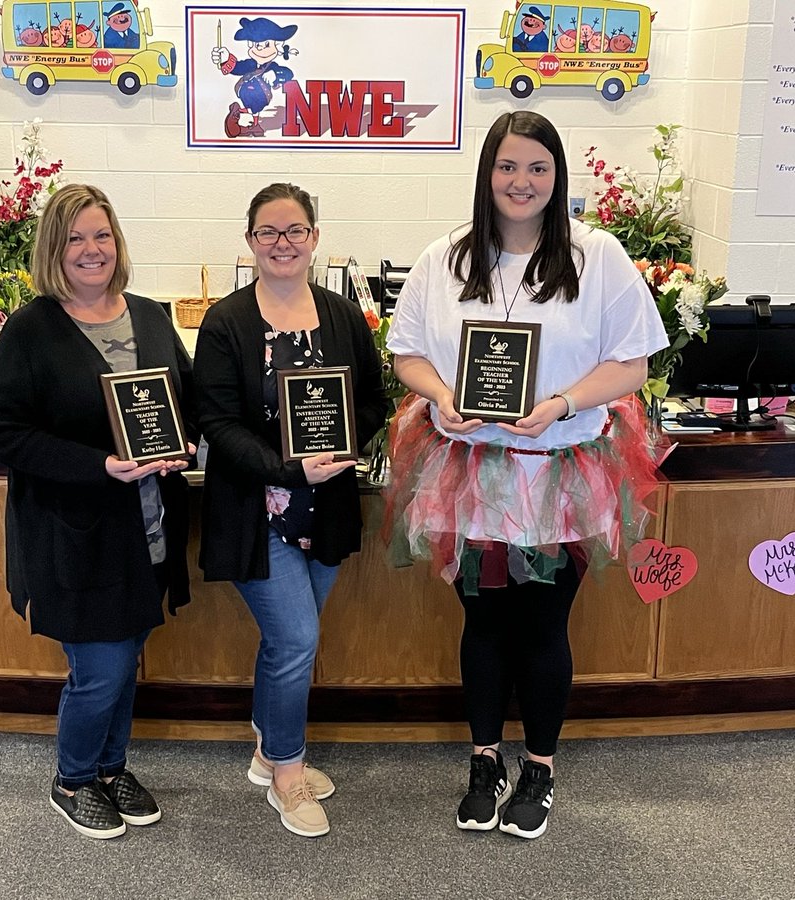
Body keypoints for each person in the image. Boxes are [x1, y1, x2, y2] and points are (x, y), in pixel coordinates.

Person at [385, 111, 667, 840]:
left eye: (537, 168)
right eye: (508, 167)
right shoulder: (444, 256)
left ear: (556, 175)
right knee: (482, 623)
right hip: (470, 468)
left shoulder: (596, 254)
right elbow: (406, 353)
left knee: (543, 624)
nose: (521, 182)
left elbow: (633, 363)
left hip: (561, 468)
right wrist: (441, 397)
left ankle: (538, 768)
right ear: (487, 173)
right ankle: (485, 761)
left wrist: (563, 403)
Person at [0, 184, 198, 840]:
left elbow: (181, 398)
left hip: (147, 527)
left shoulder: (152, 316)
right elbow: (7, 433)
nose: (91, 249)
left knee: (127, 655)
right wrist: (100, 465)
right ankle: (73, 778)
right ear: (54, 248)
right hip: (72, 533)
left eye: (101, 235)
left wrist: (185, 441)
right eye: (75, 237)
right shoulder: (31, 330)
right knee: (100, 668)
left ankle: (110, 767)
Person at [194, 183, 386, 838]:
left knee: (287, 641)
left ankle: (265, 747)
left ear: (314, 238)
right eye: (269, 232)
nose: (283, 244)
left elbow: (371, 402)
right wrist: (285, 468)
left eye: (295, 231)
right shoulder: (226, 323)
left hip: (325, 508)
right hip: (258, 508)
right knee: (297, 639)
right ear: (250, 241)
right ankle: (285, 771)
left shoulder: (340, 315)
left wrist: (344, 444)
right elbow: (216, 422)